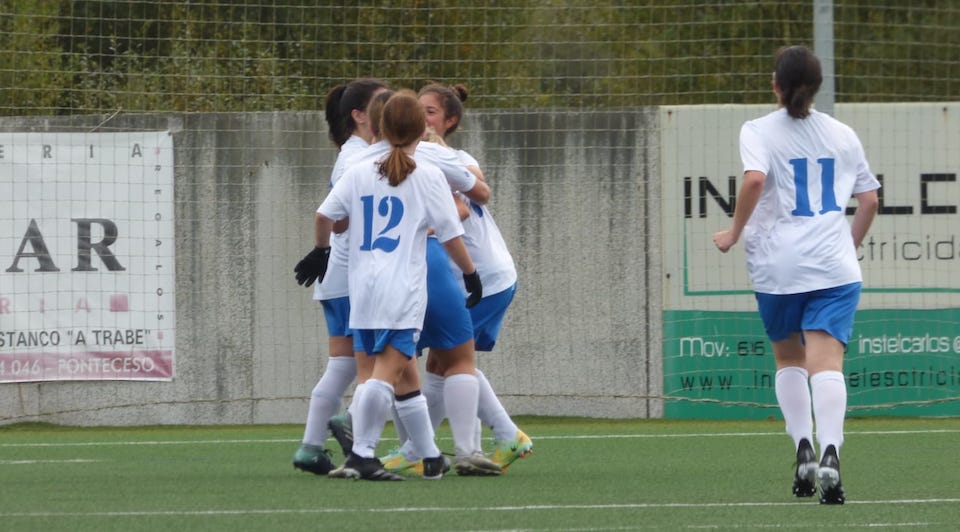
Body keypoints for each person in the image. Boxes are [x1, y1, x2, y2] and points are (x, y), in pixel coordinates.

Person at [712, 46, 880, 505]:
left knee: (789, 359)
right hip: (834, 268)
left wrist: (734, 232)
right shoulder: (842, 134)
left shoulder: (758, 130)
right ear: (817, 87)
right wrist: (847, 247)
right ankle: (830, 452)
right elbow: (869, 200)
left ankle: (803, 448)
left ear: (776, 86)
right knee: (827, 365)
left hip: (779, 267)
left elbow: (753, 180)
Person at [303, 90, 482, 480]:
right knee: (385, 374)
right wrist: (470, 274)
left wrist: (320, 251)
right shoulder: (427, 174)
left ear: (380, 126)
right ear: (421, 130)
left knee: (401, 376)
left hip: (362, 291)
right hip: (402, 291)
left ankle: (429, 455)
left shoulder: (359, 170)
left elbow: (324, 216)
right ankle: (362, 454)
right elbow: (451, 234)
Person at [380, 82, 533, 476]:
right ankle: (475, 442)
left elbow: (468, 202)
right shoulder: (427, 156)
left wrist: (417, 231)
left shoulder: (435, 156)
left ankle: (429, 450)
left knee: (449, 360)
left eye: (430, 111)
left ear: (449, 121)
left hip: (483, 276)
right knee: (446, 361)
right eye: (419, 109)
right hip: (463, 276)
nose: (423, 116)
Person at [291, 78, 388, 475]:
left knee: (343, 366)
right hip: (350, 278)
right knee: (380, 364)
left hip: (338, 278)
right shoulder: (357, 159)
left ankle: (312, 447)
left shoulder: (355, 154)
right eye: (381, 103)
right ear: (360, 115)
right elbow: (339, 218)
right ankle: (359, 435)